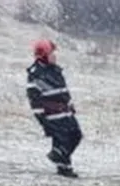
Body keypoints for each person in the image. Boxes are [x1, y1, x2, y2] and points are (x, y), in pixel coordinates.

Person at [26, 39, 82, 178]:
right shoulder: (36, 73)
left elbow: (63, 90)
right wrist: (42, 119)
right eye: (52, 53)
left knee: (76, 135)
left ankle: (58, 157)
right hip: (53, 115)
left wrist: (69, 104)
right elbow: (34, 98)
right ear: (44, 55)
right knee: (63, 140)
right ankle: (63, 167)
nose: (55, 56)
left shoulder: (55, 70)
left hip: (65, 112)